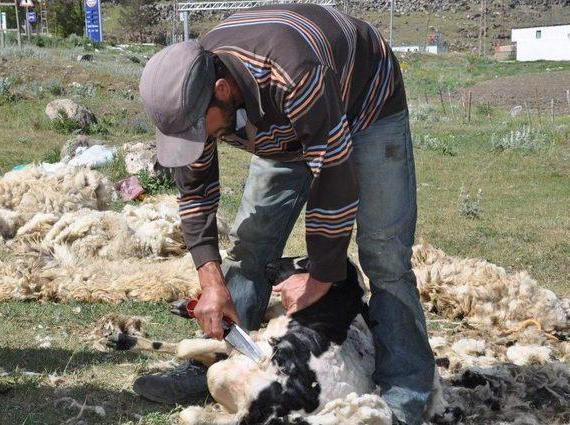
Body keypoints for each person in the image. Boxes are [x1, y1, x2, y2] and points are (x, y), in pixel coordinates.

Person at [136, 4, 435, 424]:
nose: (198, 142)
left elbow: (333, 175)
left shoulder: (295, 74)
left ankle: (407, 390)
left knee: (384, 252)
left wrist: (321, 277)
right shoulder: (188, 101)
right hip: (281, 122)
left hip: (363, 102)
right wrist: (210, 282)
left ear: (222, 90)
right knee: (252, 238)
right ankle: (220, 359)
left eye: (201, 131)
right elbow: (196, 189)